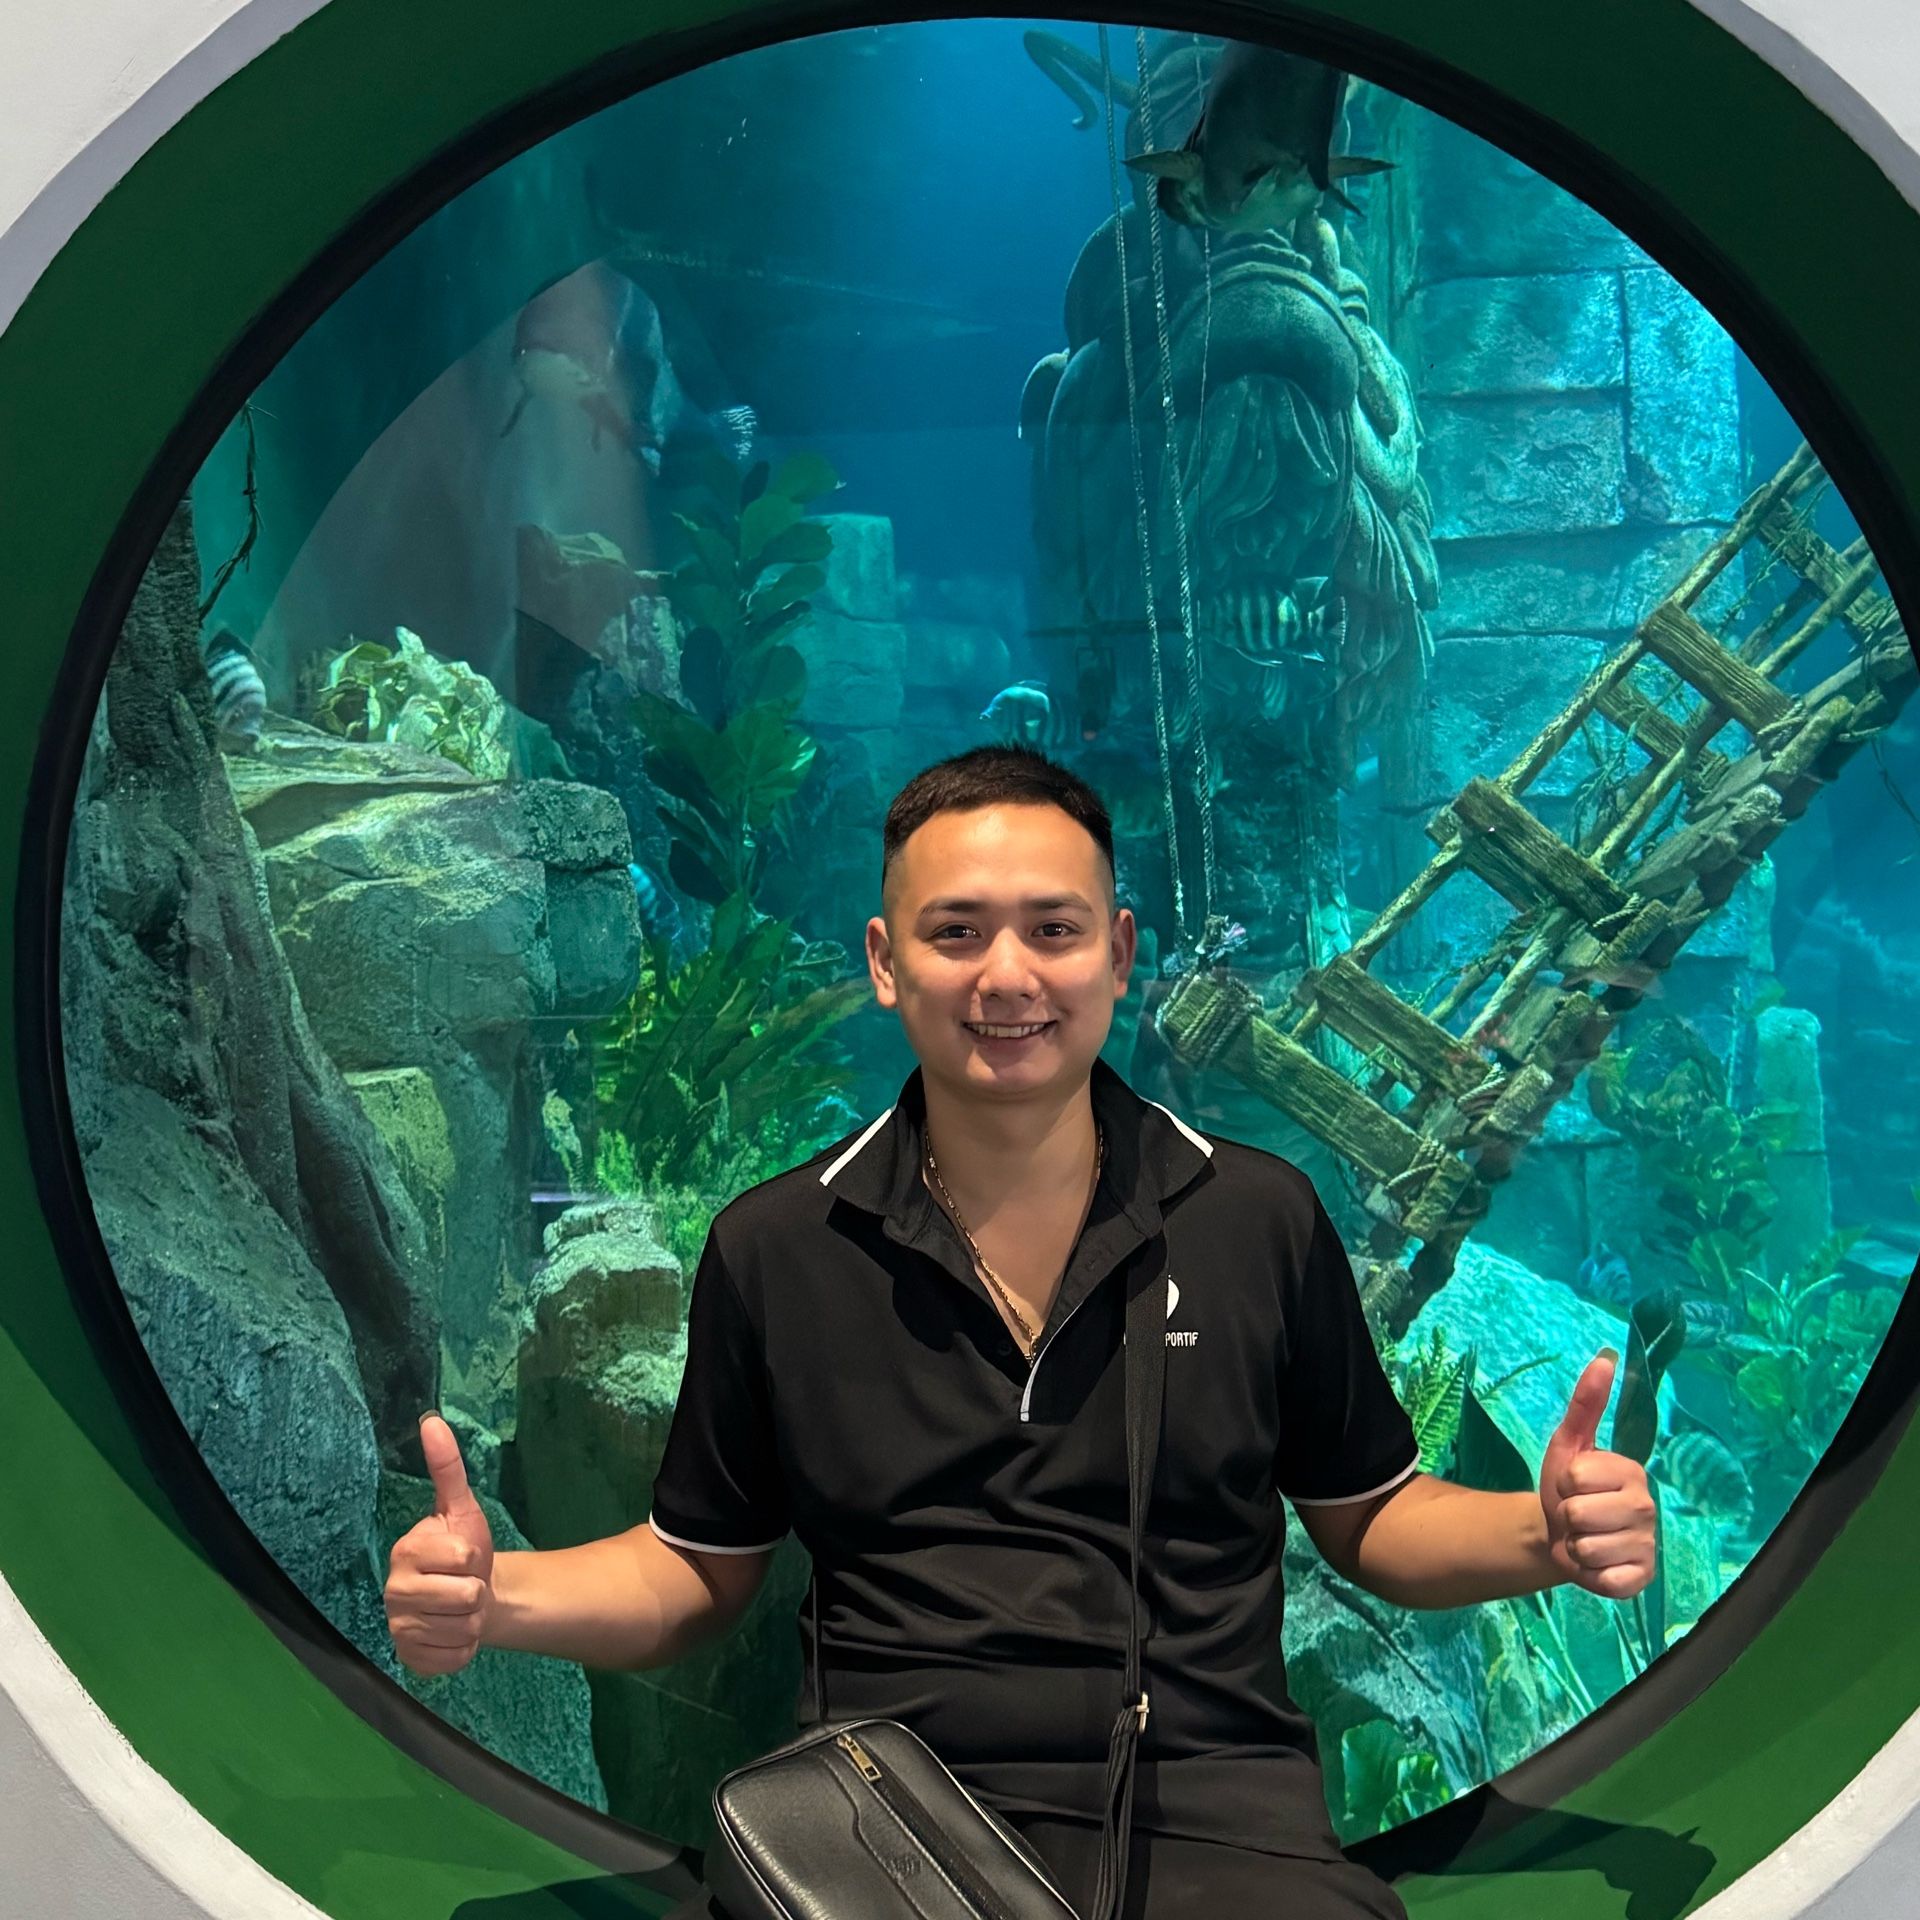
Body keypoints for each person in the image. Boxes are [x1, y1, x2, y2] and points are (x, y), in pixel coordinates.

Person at [386, 745, 1659, 1918]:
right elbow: (695, 1571)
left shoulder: (1254, 1219)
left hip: (1220, 1840)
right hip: (890, 1848)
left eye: (1053, 930)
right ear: (886, 962)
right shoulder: (778, 1249)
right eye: (956, 933)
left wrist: (1543, 1535)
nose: (1006, 976)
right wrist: (501, 1595)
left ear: (1120, 952)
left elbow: (1371, 1517)